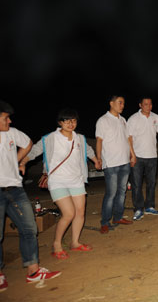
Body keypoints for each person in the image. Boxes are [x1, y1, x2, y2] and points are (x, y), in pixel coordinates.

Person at [22, 108, 100, 260]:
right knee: (69, 213)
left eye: (73, 120)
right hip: (58, 180)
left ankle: (75, 242)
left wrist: (96, 160)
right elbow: (34, 151)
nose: (71, 124)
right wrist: (23, 162)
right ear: (60, 122)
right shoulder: (50, 138)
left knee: (80, 212)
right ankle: (56, 244)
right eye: (67, 121)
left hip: (76, 179)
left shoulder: (80, 138)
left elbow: (88, 150)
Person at [0, 101, 61, 290]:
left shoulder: (12, 133)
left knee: (29, 228)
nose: (9, 121)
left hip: (16, 189)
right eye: (5, 118)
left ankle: (33, 271)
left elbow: (27, 144)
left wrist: (17, 161)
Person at [127, 98, 158, 221]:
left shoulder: (156, 118)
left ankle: (149, 206)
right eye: (145, 104)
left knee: (151, 183)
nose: (148, 106)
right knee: (137, 184)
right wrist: (132, 155)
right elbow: (129, 138)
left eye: (150, 104)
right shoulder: (133, 119)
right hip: (137, 156)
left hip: (152, 156)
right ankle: (138, 208)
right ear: (140, 105)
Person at [96, 95, 136, 234]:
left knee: (122, 192)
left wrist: (132, 154)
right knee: (111, 193)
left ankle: (118, 217)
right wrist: (98, 158)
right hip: (111, 163)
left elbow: (127, 139)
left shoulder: (123, 120)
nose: (122, 106)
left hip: (124, 161)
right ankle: (105, 222)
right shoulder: (103, 120)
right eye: (120, 103)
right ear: (111, 103)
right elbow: (99, 140)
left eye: (123, 103)